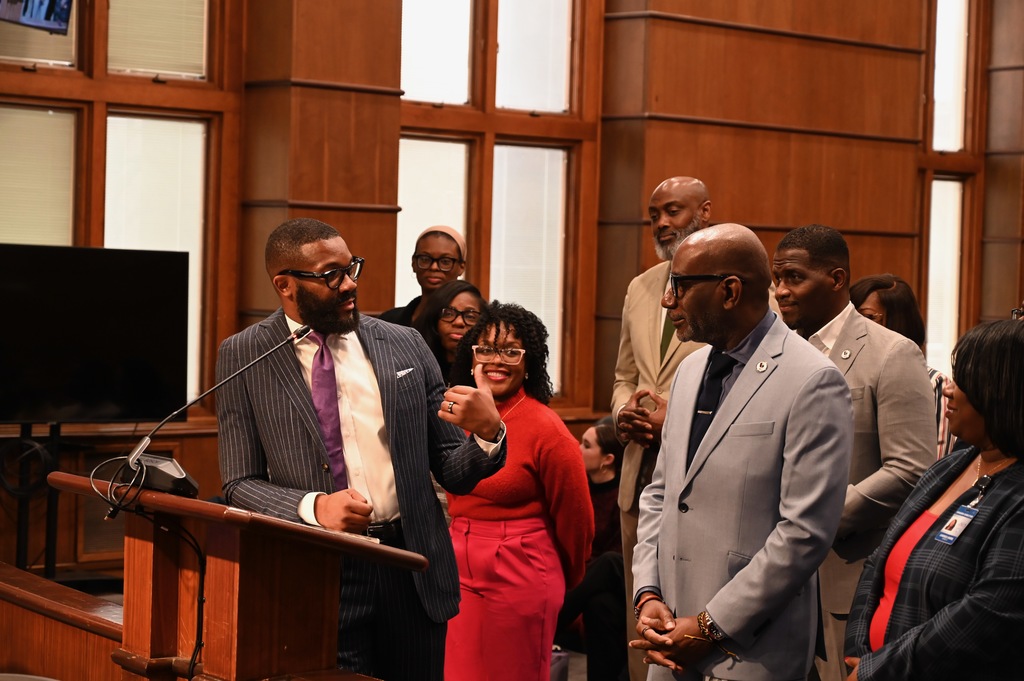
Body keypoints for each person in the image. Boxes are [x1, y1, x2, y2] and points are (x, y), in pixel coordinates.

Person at [216, 218, 507, 681]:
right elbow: (238, 482)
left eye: (351, 267)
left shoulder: (404, 344)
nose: (349, 283)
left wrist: (488, 435)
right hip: (317, 571)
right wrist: (314, 508)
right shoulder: (245, 354)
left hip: (409, 567)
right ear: (285, 285)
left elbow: (452, 468)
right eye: (331, 275)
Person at [631, 223, 853, 680]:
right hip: (670, 633)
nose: (667, 300)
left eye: (680, 286)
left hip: (749, 649)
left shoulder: (812, 380)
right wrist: (648, 593)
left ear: (729, 291)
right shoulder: (691, 370)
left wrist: (709, 627)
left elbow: (804, 533)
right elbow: (662, 494)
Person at [771, 225, 936, 681]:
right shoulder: (775, 354)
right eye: (776, 279)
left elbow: (912, 468)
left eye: (794, 279)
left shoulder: (891, 354)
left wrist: (817, 517)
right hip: (773, 577)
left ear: (837, 278)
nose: (781, 292)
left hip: (846, 576)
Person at [845, 320, 1024, 680]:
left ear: (1001, 392)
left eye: (964, 381)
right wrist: (857, 651)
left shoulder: (1017, 494)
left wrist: (878, 669)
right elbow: (879, 561)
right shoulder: (955, 464)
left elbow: (986, 616)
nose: (949, 391)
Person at [444, 302, 594, 681]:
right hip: (455, 567)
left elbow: (577, 523)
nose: (498, 360)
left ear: (530, 361)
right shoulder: (451, 412)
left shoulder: (548, 428)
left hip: (521, 571)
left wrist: (561, 580)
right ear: (471, 354)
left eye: (511, 351)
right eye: (487, 349)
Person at [612, 175, 711, 681]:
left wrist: (681, 414)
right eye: (655, 214)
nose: (662, 223)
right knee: (642, 606)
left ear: (704, 212)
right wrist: (621, 414)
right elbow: (625, 376)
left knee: (692, 601)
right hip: (638, 468)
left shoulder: (729, 286)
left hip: (700, 471)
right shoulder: (641, 286)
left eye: (672, 210)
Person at [555, 416, 628, 681]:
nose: (577, 448)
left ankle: (552, 620)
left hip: (624, 579)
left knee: (609, 561)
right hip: (590, 583)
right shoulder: (579, 488)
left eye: (586, 445)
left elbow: (622, 555)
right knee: (600, 606)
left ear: (608, 459)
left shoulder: (625, 496)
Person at [850, 273, 955, 458]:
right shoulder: (835, 372)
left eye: (867, 317)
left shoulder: (935, 384)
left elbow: (934, 467)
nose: (854, 327)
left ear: (897, 321)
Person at [380, 225, 466, 326]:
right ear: (413, 263)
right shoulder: (389, 321)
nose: (434, 267)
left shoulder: (470, 324)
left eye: (445, 261)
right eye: (425, 259)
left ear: (461, 267)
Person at [412, 279, 487, 383]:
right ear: (434, 319)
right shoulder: (413, 367)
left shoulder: (487, 372)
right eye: (448, 314)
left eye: (470, 316)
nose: (459, 322)